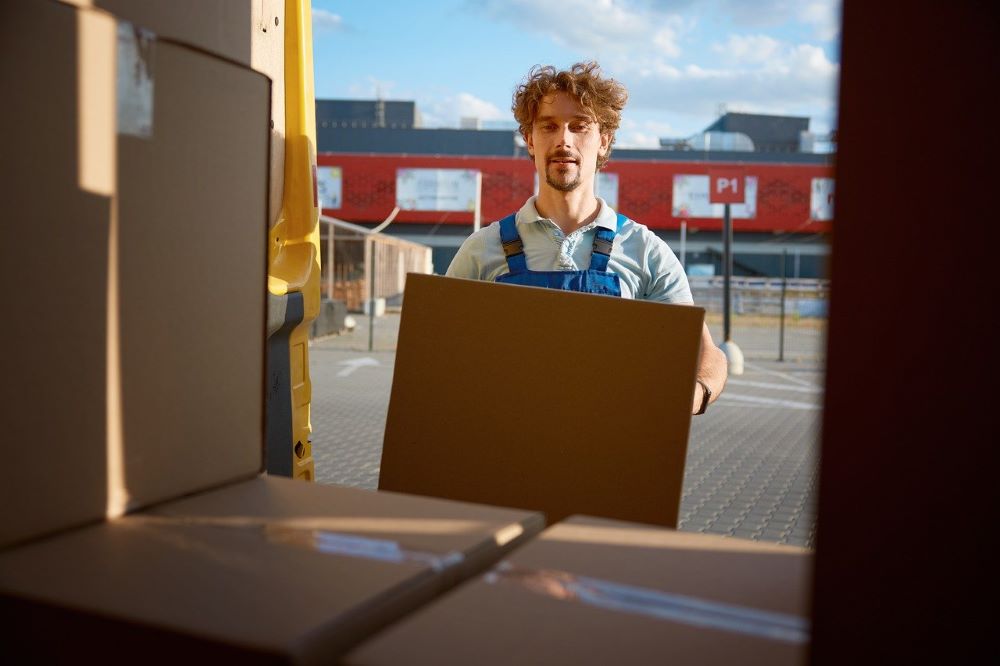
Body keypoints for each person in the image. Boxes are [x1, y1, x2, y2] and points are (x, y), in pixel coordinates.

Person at [446, 62, 727, 415]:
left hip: (609, 454)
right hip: (503, 453)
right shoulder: (481, 250)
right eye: (549, 126)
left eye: (579, 126)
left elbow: (706, 352)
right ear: (530, 141)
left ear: (604, 140)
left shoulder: (646, 251)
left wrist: (697, 393)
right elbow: (439, 352)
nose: (564, 139)